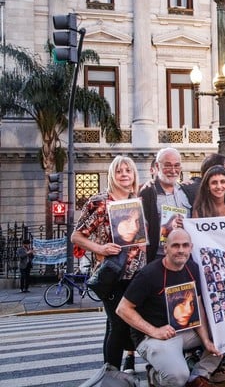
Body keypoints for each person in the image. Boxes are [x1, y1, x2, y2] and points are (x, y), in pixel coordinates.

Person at [117, 229, 222, 387]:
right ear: (165, 248)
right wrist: (154, 331)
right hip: (153, 337)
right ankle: (155, 375)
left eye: (185, 245)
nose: (181, 250)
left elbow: (198, 307)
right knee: (177, 377)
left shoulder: (192, 268)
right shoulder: (149, 274)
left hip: (184, 330)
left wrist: (206, 340)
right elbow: (122, 309)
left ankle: (198, 376)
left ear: (191, 247)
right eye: (175, 246)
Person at [71, 155, 145, 370]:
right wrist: (100, 248)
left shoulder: (136, 201)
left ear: (133, 175)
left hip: (135, 275)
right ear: (113, 174)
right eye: (119, 171)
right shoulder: (100, 202)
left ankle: (114, 368)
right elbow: (76, 236)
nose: (124, 174)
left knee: (116, 325)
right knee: (118, 325)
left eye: (128, 171)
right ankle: (111, 373)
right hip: (112, 273)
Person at [140, 148, 195, 261]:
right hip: (159, 258)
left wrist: (186, 224)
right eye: (168, 165)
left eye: (177, 165)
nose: (173, 170)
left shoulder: (187, 192)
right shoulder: (148, 193)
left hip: (185, 257)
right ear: (157, 166)